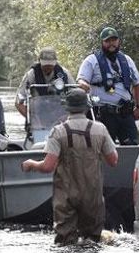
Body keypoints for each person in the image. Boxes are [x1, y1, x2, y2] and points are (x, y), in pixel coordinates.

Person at [22, 88, 119, 244]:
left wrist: (31, 164)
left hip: (66, 198)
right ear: (86, 107)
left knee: (65, 243)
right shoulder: (100, 129)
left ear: (67, 108)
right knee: (92, 242)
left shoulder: (58, 132)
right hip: (92, 196)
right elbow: (113, 161)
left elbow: (48, 166)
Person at [77, 26, 139, 144]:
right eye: (107, 41)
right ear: (102, 42)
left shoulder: (127, 60)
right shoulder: (91, 60)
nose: (111, 43)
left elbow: (137, 84)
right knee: (104, 148)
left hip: (125, 113)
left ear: (118, 41)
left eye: (114, 40)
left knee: (132, 145)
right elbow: (81, 80)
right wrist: (83, 85)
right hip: (103, 114)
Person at [16, 48, 71, 118]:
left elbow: (76, 93)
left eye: (50, 65)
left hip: (60, 113)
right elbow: (18, 100)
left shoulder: (64, 73)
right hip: (38, 113)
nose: (48, 67)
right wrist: (31, 118)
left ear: (55, 62)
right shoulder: (31, 74)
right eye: (45, 65)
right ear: (39, 61)